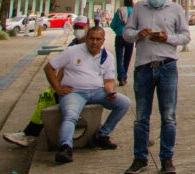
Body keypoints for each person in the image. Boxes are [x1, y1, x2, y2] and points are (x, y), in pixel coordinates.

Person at [122, 0, 191, 174]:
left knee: (168, 116)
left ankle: (167, 159)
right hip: (144, 67)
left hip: (167, 67)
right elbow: (126, 33)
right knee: (141, 116)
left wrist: (167, 38)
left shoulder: (176, 9)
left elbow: (186, 36)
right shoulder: (139, 8)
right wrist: (139, 34)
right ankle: (140, 158)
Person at [45, 25, 132, 164]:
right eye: (91, 39)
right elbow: (49, 68)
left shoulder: (107, 56)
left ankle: (101, 135)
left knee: (124, 103)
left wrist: (110, 92)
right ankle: (65, 147)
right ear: (86, 39)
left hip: (97, 91)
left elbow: (109, 80)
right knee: (70, 115)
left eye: (98, 39)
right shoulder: (73, 51)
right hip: (74, 92)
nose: (94, 42)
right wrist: (58, 89)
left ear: (103, 40)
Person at [3, 16, 90, 149]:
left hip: (82, 88)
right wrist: (56, 85)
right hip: (69, 85)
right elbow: (62, 67)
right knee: (47, 95)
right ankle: (29, 133)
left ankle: (29, 134)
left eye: (81, 27)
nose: (78, 30)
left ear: (88, 27)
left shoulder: (92, 45)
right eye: (76, 27)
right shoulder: (73, 45)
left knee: (48, 97)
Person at [111, 0, 134, 86]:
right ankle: (124, 76)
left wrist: (118, 30)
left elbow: (112, 24)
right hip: (129, 37)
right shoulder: (134, 11)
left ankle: (121, 76)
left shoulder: (119, 11)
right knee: (127, 58)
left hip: (119, 37)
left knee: (119, 57)